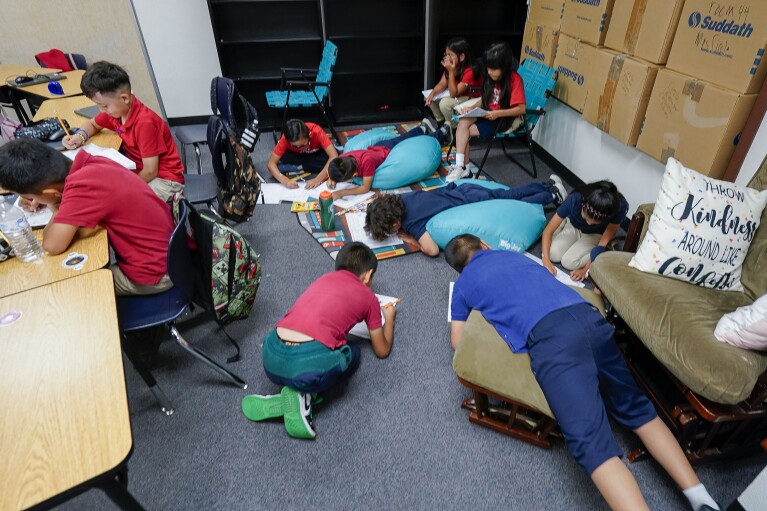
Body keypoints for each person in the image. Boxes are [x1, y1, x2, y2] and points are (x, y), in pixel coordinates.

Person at [445, 234, 721, 511]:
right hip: (588, 317)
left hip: (553, 341)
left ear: (459, 268)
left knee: (591, 444)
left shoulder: (463, 285)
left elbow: (458, 341)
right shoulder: (516, 256)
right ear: (484, 244)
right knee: (639, 410)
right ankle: (700, 497)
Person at [241, 242, 397, 440]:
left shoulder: (323, 279)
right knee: (353, 352)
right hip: (307, 362)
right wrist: (389, 319)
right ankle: (304, 395)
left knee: (315, 349)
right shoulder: (368, 297)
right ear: (367, 275)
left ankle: (287, 399)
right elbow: (382, 350)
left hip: (271, 353)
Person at [0, 138, 174, 296]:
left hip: (158, 274)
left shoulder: (81, 188)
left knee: (73, 287)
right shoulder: (90, 163)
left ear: (52, 193)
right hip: (169, 254)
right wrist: (45, 197)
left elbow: (52, 246)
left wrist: (53, 206)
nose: (32, 201)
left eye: (32, 197)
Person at [61, 61, 185, 202]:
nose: (102, 111)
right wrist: (80, 136)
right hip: (139, 169)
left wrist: (125, 186)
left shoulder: (145, 123)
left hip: (164, 180)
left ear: (125, 98)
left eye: (104, 106)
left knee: (119, 202)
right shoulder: (117, 112)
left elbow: (151, 171)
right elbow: (93, 124)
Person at [365, 177, 567, 256]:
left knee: (511, 199)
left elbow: (432, 250)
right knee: (509, 194)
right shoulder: (402, 198)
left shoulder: (411, 223)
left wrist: (409, 238)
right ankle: (547, 184)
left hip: (471, 200)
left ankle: (551, 194)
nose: (393, 232)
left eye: (390, 229)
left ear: (395, 222)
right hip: (463, 189)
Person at [447, 42, 525, 182]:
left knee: (465, 131)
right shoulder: (491, 77)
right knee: (463, 120)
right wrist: (472, 108)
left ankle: (465, 169)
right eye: (489, 68)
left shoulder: (515, 80)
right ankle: (461, 167)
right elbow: (486, 98)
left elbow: (521, 109)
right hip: (486, 113)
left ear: (504, 67)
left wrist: (498, 113)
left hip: (500, 119)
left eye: (494, 69)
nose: (489, 72)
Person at [327, 121, 452, 200]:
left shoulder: (367, 163)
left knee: (409, 141)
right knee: (404, 138)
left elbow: (365, 187)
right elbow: (337, 164)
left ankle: (442, 132)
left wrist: (342, 192)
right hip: (377, 147)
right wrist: (332, 178)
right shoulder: (346, 157)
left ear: (354, 174)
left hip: (387, 150)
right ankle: (422, 128)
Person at [541, 180, 628, 282]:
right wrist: (545, 259)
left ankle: (606, 252)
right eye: (586, 218)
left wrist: (585, 270)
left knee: (569, 262)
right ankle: (563, 224)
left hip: (595, 234)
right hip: (573, 225)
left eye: (595, 222)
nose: (589, 223)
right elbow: (548, 230)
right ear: (583, 205)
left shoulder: (620, 206)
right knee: (552, 254)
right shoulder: (576, 198)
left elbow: (605, 238)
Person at [425, 37, 482, 129]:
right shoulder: (451, 66)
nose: (447, 58)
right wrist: (432, 93)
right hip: (458, 95)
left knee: (444, 104)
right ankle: (441, 123)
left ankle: (453, 128)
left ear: (462, 57)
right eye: (446, 54)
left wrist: (451, 72)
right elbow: (442, 84)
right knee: (430, 98)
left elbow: (453, 94)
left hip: (471, 96)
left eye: (450, 55)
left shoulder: (469, 71)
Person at [266, 118, 339, 189]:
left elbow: (334, 155)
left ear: (309, 135)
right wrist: (285, 181)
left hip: (315, 153)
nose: (299, 147)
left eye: (302, 144)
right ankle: (301, 167)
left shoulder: (317, 131)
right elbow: (271, 164)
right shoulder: (285, 138)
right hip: (297, 155)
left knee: (337, 158)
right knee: (283, 158)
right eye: (294, 146)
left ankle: (296, 167)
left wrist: (318, 179)